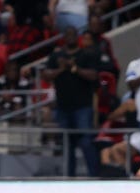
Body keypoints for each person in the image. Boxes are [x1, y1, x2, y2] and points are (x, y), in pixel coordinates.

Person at [44, 27, 100, 177]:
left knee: (86, 142)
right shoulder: (56, 56)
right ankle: (69, 178)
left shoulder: (86, 54)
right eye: (67, 35)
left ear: (77, 37)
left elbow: (94, 75)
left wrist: (75, 69)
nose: (70, 38)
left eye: (73, 35)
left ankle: (95, 176)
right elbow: (47, 75)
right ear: (64, 37)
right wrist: (61, 69)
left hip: (82, 107)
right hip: (63, 107)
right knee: (67, 145)